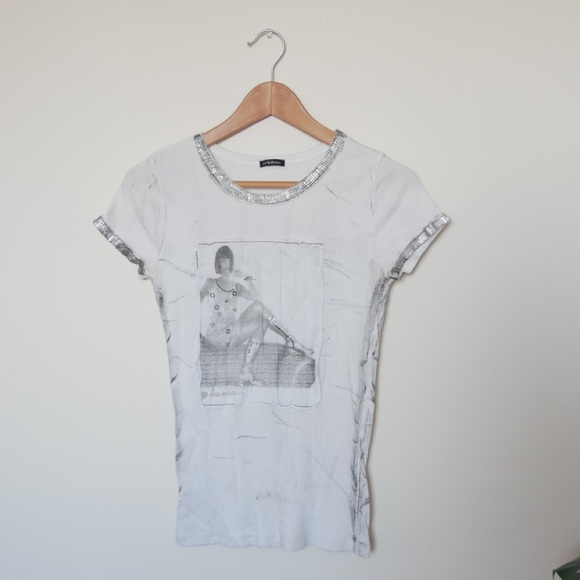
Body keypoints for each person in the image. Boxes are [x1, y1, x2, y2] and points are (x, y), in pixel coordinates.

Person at [199, 245, 312, 386]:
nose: (226, 263)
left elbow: (254, 296)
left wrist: (247, 278)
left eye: (228, 260)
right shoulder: (211, 282)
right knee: (258, 308)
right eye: (222, 260)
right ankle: (291, 340)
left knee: (261, 320)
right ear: (218, 264)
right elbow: (195, 300)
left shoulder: (236, 287)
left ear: (231, 262)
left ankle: (246, 373)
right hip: (218, 335)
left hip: (233, 331)